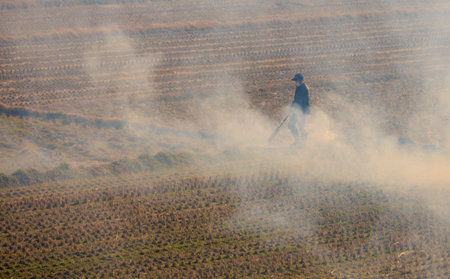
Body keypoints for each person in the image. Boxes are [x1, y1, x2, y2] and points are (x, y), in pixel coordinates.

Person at [288, 73, 310, 145]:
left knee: (301, 127)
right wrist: (292, 106)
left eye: (296, 81)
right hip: (297, 110)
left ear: (301, 80)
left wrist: (294, 106)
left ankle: (303, 142)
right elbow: (296, 99)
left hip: (302, 111)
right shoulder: (298, 87)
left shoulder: (304, 88)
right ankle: (297, 141)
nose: (295, 82)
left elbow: (302, 101)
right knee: (291, 125)